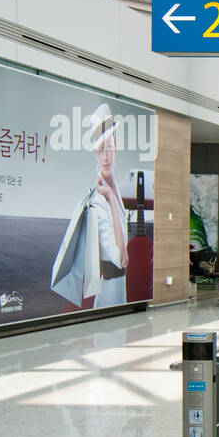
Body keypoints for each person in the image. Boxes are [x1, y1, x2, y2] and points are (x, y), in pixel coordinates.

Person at [88, 104, 128, 308]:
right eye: (99, 149)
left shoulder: (114, 191)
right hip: (110, 293)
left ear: (116, 145)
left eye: (109, 146)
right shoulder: (101, 199)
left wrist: (113, 196)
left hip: (120, 289)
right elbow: (121, 259)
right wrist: (111, 199)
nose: (105, 156)